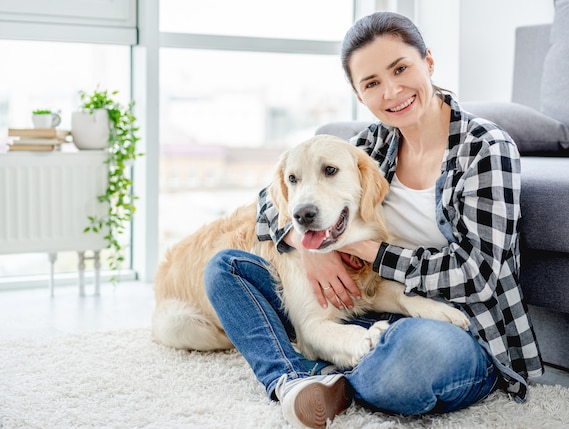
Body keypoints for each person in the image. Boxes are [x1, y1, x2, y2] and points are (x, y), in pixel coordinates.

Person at [205, 11, 544, 429]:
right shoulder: (369, 143)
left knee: (408, 363)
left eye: (400, 68)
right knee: (224, 268)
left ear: (429, 62)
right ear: (359, 94)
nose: (392, 91)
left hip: (459, 327)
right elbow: (270, 201)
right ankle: (298, 377)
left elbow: (479, 276)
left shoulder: (486, 148)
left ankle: (314, 360)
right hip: (373, 307)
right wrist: (308, 248)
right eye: (371, 83)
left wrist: (362, 248)